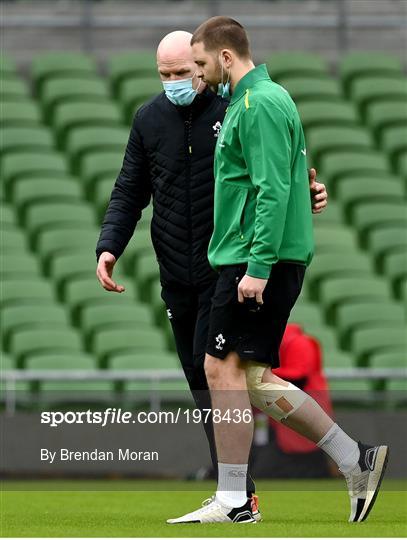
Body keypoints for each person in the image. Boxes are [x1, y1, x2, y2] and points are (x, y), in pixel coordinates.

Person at [95, 30, 328, 520]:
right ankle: (239, 490)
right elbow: (128, 189)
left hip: (227, 269)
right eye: (165, 75)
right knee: (204, 384)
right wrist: (110, 245)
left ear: (201, 65)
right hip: (176, 274)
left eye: (184, 72)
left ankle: (239, 495)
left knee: (224, 376)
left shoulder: (236, 108)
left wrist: (309, 190)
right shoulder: (149, 119)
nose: (177, 82)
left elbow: (277, 172)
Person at [166, 17, 389, 524]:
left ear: (225, 57)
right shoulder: (266, 100)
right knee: (250, 378)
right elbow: (286, 180)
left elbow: (270, 189)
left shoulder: (257, 104)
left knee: (220, 369)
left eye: (200, 64)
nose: (196, 76)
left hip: (252, 259)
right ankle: (355, 460)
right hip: (255, 255)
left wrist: (258, 268)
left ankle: (235, 501)